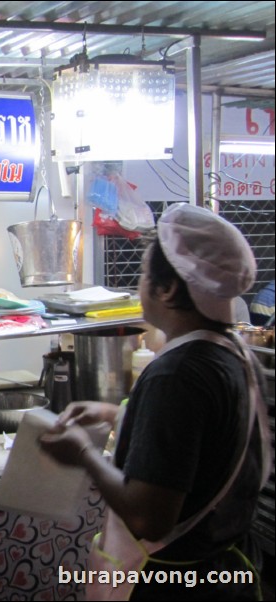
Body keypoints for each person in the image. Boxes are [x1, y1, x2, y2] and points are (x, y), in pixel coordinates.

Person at [39, 204, 272, 601]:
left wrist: (82, 453)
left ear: (167, 288)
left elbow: (150, 517)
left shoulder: (177, 373)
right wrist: (116, 414)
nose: (139, 285)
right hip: (228, 568)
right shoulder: (232, 352)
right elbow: (206, 441)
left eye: (145, 275)